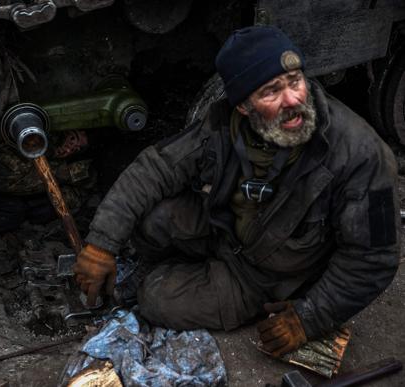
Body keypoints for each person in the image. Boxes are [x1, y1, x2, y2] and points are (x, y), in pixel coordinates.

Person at [73, 25, 400, 357]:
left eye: (295, 81)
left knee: (155, 298)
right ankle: (194, 272)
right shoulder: (225, 125)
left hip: (271, 276)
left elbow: (373, 259)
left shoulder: (360, 153)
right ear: (244, 106)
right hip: (228, 231)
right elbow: (155, 168)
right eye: (271, 91)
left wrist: (308, 318)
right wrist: (101, 243)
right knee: (153, 221)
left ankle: (233, 293)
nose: (293, 100)